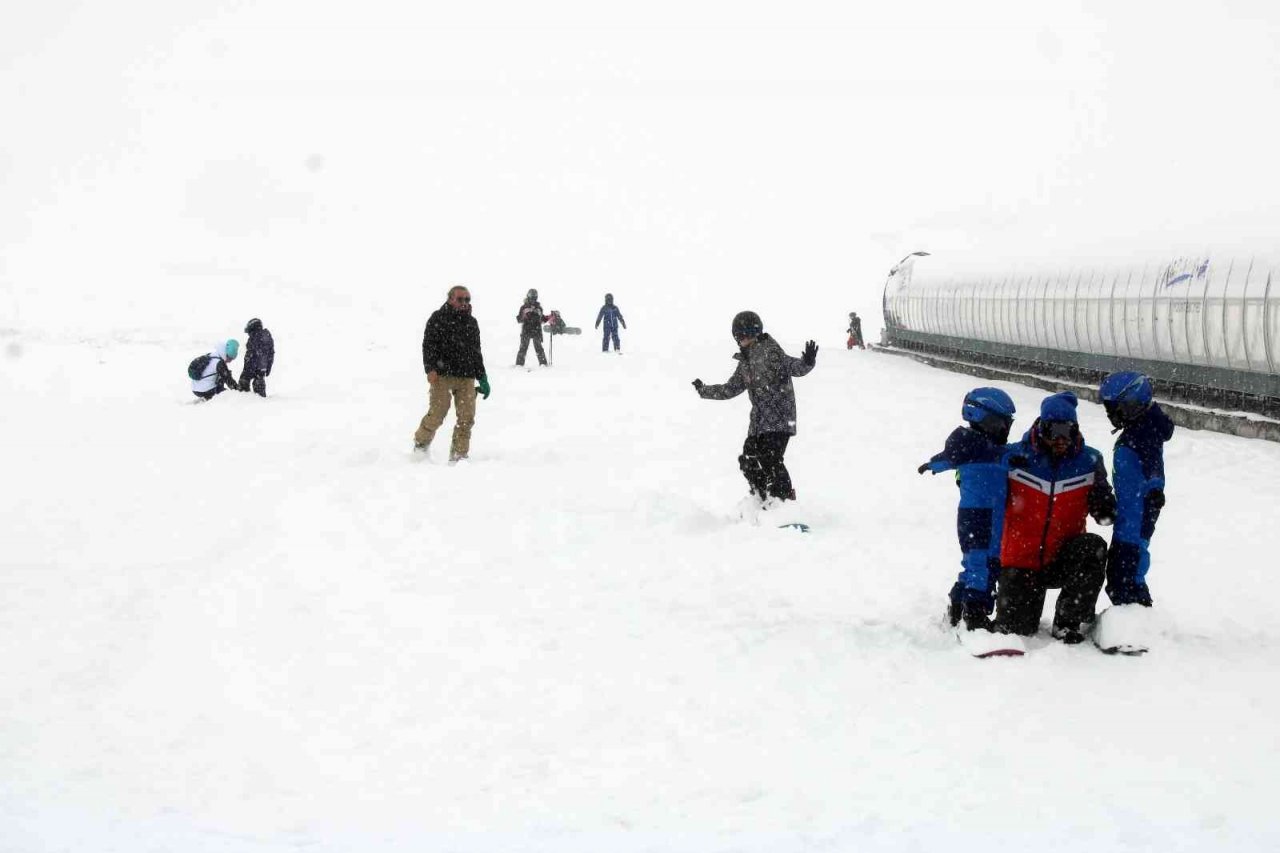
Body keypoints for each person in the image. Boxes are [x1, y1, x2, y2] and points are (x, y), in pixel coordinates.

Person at [994, 391, 1117, 643]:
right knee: (1018, 631)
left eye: (1068, 431)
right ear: (1040, 427)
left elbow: (1103, 513)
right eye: (1054, 431)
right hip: (1020, 561)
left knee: (1092, 547)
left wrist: (1104, 503)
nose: (1061, 439)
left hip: (1062, 558)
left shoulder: (1089, 461)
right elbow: (979, 483)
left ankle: (1069, 621)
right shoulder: (1015, 457)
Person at [918, 387, 1017, 632]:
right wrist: (934, 463)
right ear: (980, 418)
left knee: (980, 563)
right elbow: (957, 455)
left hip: (989, 515)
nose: (1004, 430)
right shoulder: (971, 442)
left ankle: (958, 603)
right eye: (1000, 424)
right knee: (981, 565)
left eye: (1007, 424)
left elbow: (950, 458)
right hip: (977, 515)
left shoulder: (983, 444)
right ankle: (975, 616)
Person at [692, 311, 817, 504]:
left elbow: (793, 366)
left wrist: (807, 362)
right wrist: (704, 390)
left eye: (748, 334)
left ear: (757, 333)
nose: (744, 339)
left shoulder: (770, 351)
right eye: (740, 336)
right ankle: (761, 496)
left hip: (780, 419)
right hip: (759, 423)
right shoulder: (745, 362)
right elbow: (731, 388)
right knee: (748, 459)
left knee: (770, 458)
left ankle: (783, 500)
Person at [1098, 371, 1174, 607]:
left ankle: (1134, 612)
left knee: (1127, 565)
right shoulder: (1139, 428)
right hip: (1130, 509)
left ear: (1132, 404)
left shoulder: (1144, 432)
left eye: (1115, 409)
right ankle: (1130, 609)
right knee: (1124, 564)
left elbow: (1153, 464)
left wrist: (1154, 489)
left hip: (1139, 510)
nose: (1111, 415)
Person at [413, 285, 490, 463]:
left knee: (466, 418)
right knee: (437, 414)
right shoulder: (438, 318)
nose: (464, 303)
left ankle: (459, 455)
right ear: (450, 299)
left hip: (467, 377)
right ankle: (421, 444)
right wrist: (430, 369)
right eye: (460, 299)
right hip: (442, 376)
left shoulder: (472, 323)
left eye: (467, 299)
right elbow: (428, 345)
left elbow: (476, 352)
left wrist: (483, 377)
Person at [237, 318, 274, 397]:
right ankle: (261, 403)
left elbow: (250, 355)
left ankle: (242, 402)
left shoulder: (254, 337)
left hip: (252, 367)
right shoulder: (267, 337)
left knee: (243, 386)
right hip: (262, 369)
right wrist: (268, 368)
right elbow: (271, 354)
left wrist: (246, 370)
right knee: (259, 388)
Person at [515, 288, 549, 367]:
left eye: (534, 297)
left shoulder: (539, 308)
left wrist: (549, 317)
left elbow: (542, 319)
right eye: (531, 297)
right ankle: (519, 365)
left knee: (539, 349)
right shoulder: (523, 307)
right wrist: (524, 314)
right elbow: (519, 319)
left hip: (536, 330)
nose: (533, 299)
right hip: (526, 330)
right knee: (523, 349)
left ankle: (543, 364)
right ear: (528, 297)